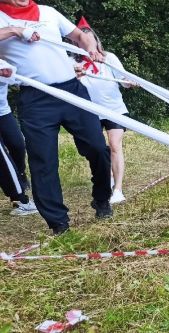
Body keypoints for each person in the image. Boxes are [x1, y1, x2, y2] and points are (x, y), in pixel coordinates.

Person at [0, 0, 112, 235]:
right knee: (43, 161)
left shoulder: (48, 12)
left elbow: (80, 36)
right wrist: (15, 30)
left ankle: (102, 199)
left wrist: (91, 47)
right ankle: (58, 223)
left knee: (98, 147)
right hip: (35, 99)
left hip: (71, 90)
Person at [74, 17, 134, 205]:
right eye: (81, 41)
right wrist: (75, 74)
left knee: (115, 146)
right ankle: (105, 177)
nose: (87, 44)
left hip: (114, 109)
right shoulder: (71, 62)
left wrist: (129, 82)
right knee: (97, 149)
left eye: (90, 39)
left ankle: (117, 189)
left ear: (96, 41)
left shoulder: (109, 58)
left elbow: (123, 80)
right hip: (89, 111)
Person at [0, 62, 37, 215]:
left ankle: (19, 176)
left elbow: (19, 78)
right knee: (2, 156)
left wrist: (10, 74)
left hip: (3, 112)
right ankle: (20, 199)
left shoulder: (3, 60)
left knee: (18, 145)